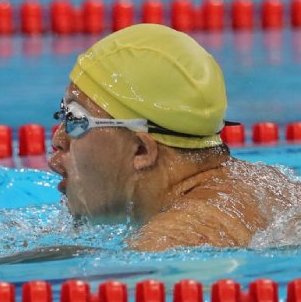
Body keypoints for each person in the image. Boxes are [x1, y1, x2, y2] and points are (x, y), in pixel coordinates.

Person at [48, 23, 301, 251]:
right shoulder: (270, 186)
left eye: (75, 120)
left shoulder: (169, 242)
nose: (58, 139)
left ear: (141, 150)